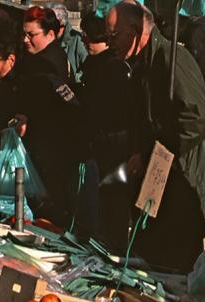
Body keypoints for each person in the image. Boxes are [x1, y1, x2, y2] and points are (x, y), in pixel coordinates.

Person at [106, 2, 205, 272]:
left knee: (181, 253)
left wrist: (155, 150)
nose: (109, 44)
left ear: (136, 32)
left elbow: (201, 116)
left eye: (114, 36)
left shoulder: (170, 59)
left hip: (188, 172)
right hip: (167, 169)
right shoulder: (143, 62)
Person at [18, 5, 98, 238]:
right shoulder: (39, 59)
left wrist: (27, 116)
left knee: (50, 216)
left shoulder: (47, 64)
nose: (25, 40)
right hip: (46, 149)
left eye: (31, 35)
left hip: (52, 152)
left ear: (50, 34)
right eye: (23, 34)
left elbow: (56, 107)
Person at [79, 12, 132, 251]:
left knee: (111, 202)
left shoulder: (111, 68)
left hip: (112, 144)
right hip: (108, 142)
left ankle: (111, 246)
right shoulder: (108, 66)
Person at [50, 3, 88, 84]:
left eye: (55, 27)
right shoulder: (48, 39)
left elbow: (88, 69)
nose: (51, 31)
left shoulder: (77, 39)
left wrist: (72, 78)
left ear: (63, 24)